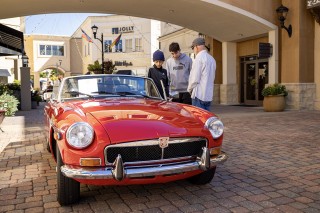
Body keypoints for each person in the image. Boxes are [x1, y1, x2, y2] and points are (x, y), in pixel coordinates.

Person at [187, 37, 216, 111]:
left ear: (196, 47)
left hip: (199, 95)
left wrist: (189, 89)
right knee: (206, 119)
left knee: (198, 120)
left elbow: (194, 79)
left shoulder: (198, 58)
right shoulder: (212, 59)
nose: (193, 50)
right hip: (208, 96)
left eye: (193, 48)